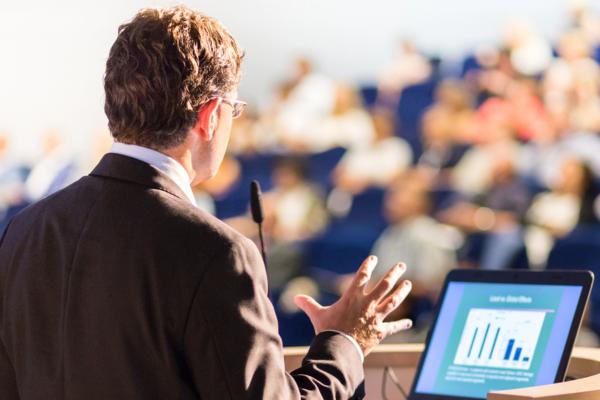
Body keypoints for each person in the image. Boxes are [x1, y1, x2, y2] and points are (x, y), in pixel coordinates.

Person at [0, 6, 413, 400]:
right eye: (235, 108)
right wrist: (345, 344)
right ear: (211, 115)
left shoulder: (24, 230)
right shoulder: (216, 252)